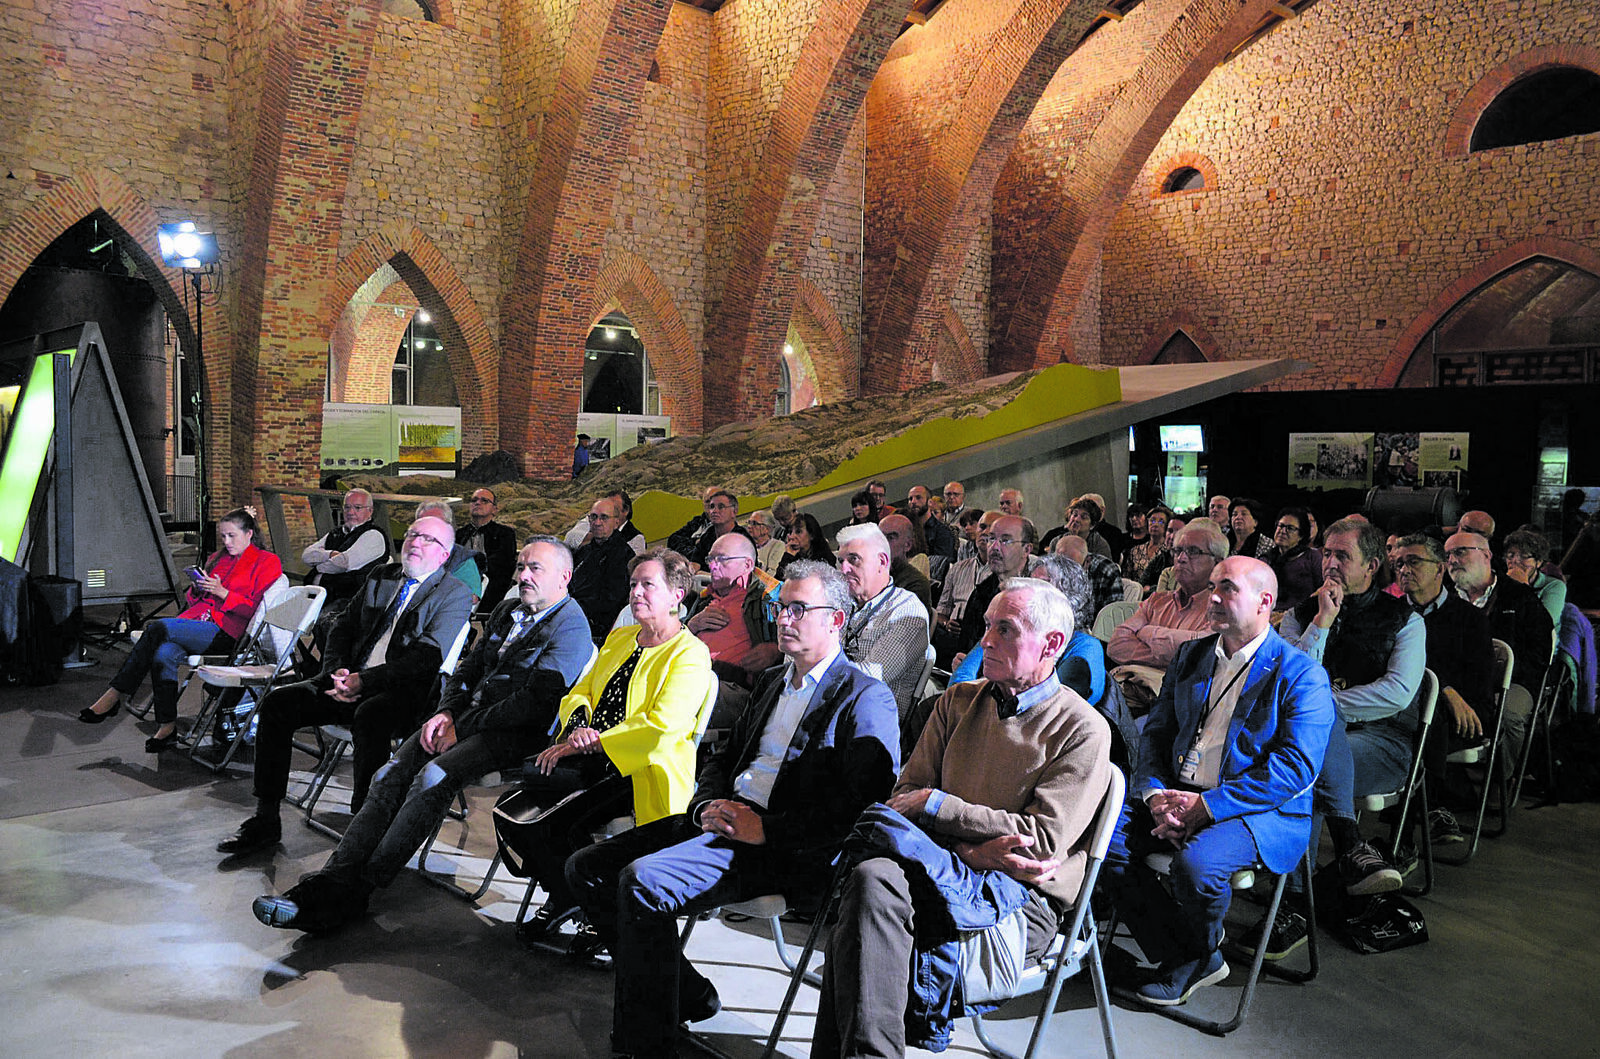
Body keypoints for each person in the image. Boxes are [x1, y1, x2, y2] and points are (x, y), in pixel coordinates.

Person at [564, 562, 900, 1058]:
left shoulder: (864, 697)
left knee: (642, 880)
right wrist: (703, 805)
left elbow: (857, 807)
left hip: (785, 848)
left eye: (799, 609)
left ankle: (646, 1044)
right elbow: (724, 757)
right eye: (782, 607)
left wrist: (767, 829)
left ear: (836, 620)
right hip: (724, 820)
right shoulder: (771, 682)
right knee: (586, 868)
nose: (784, 618)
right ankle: (686, 992)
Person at [814, 576, 1113, 1056]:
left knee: (865, 900)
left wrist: (938, 805)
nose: (986, 641)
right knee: (869, 881)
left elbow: (1037, 843)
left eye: (1006, 630)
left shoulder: (1082, 729)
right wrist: (971, 848)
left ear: (1052, 644)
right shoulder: (957, 701)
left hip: (1019, 897)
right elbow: (903, 798)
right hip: (941, 861)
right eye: (987, 626)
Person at [245, 538, 593, 927]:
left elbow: (532, 705)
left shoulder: (571, 628)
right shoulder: (509, 611)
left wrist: (461, 727)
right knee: (389, 774)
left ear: (564, 576)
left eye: (535, 569)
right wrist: (445, 712)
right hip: (466, 720)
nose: (522, 575)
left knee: (431, 777)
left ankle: (359, 887)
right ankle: (334, 877)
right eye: (521, 566)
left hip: (514, 735)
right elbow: (468, 668)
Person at [1108, 557, 1334, 1004]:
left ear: (1265, 602)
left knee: (1197, 867)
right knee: (1103, 841)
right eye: (1212, 586)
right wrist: (1154, 795)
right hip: (1179, 792)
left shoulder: (1302, 674)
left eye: (1226, 588)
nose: (1212, 597)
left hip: (1255, 808)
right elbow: (1155, 733)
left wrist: (1208, 808)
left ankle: (1194, 955)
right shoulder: (1192, 655)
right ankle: (1188, 953)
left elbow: (1294, 768)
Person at [215, 515, 475, 854]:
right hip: (348, 679)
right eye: (412, 534)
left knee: (371, 715)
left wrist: (363, 682)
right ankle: (266, 818)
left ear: (444, 554)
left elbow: (423, 661)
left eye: (427, 539)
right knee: (278, 703)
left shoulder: (454, 594)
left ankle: (362, 826)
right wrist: (337, 670)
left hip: (403, 692)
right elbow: (341, 626)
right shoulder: (382, 576)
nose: (414, 542)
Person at [505, 548, 714, 939]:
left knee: (552, 821)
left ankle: (593, 911)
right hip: (590, 757)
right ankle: (574, 899)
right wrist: (579, 726)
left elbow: (661, 727)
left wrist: (593, 743)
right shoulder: (620, 638)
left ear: (677, 595)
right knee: (515, 810)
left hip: (640, 769)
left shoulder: (689, 654)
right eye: (633, 584)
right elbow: (582, 690)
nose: (636, 592)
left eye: (647, 585)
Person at [1280, 517, 1425, 897]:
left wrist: (1322, 708)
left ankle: (1295, 901)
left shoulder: (1405, 621)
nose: (1329, 563)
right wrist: (1322, 624)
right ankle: (1348, 846)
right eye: (1326, 553)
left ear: (1371, 566)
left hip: (1383, 740)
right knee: (1303, 759)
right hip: (1310, 742)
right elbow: (1286, 680)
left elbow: (1397, 692)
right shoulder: (1300, 615)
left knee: (1302, 769)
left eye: (1342, 556)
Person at [79, 507, 283, 753]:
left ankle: (115, 693)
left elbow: (259, 611)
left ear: (249, 534)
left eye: (232, 536)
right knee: (163, 653)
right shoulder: (219, 558)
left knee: (159, 627)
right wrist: (198, 588)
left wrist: (223, 593)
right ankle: (167, 727)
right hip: (201, 623)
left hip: (230, 632)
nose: (227, 542)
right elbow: (196, 601)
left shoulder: (266, 561)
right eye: (223, 536)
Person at [1392, 533, 1493, 845]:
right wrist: (1442, 687)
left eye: (1413, 561)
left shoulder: (1470, 619)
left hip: (1463, 716)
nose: (1403, 570)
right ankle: (1432, 808)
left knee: (1427, 720)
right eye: (1398, 563)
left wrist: (1445, 691)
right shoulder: (1390, 613)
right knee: (1421, 717)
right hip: (1402, 708)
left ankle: (1404, 837)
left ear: (1439, 569)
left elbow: (1478, 684)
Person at [1444, 529, 1553, 777]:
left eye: (1460, 552)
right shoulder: (1445, 598)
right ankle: (1446, 783)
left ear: (1486, 555)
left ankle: (1499, 783)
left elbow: (1539, 655)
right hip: (1459, 682)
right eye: (1447, 554)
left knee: (1507, 714)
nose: (1452, 560)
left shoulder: (1520, 597)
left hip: (1512, 681)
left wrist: (1493, 676)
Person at [951, 553, 1107, 707]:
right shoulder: (1002, 628)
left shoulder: (1086, 645)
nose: (1031, 589)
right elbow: (960, 683)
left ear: (1070, 594)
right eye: (1030, 581)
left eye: (1043, 584)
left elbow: (1064, 707)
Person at [1106, 520, 1226, 701]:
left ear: (1217, 562)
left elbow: (1200, 654)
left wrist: (1148, 633)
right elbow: (1116, 645)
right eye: (1177, 551)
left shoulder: (1221, 608)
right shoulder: (1157, 600)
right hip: (1133, 694)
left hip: (1181, 703)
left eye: (1193, 552)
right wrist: (1172, 658)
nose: (1181, 558)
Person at [685, 532, 780, 728]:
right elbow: (672, 639)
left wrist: (776, 650)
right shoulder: (703, 599)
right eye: (710, 559)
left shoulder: (770, 596)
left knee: (679, 694)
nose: (712, 566)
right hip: (692, 673)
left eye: (721, 559)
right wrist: (692, 625)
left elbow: (801, 643)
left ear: (747, 565)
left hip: (733, 687)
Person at [838, 523, 932, 716]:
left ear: (882, 561)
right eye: (841, 561)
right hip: (829, 709)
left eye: (853, 559)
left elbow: (866, 682)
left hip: (868, 723)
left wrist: (812, 665)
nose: (844, 568)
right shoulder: (840, 604)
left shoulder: (906, 611)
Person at [956, 515, 1036, 658]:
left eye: (1005, 541)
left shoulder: (1039, 593)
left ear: (1026, 549)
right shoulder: (981, 592)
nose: (994, 547)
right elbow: (967, 645)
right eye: (991, 539)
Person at [301, 488, 390, 614]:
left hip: (352, 604)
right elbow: (306, 556)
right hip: (324, 598)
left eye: (357, 508)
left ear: (370, 511)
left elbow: (343, 563)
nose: (351, 512)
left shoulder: (373, 535)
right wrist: (330, 554)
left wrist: (317, 569)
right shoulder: (336, 533)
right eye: (347, 507)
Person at [569, 496, 637, 641]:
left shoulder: (625, 556)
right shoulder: (584, 551)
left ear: (616, 522)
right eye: (593, 517)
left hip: (594, 626)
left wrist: (570, 607)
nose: (597, 522)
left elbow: (611, 601)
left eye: (604, 518)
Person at [458, 487, 517, 612]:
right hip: (458, 586)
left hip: (492, 588)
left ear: (494, 509)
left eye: (484, 501)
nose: (477, 503)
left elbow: (502, 564)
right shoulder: (459, 534)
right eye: (474, 500)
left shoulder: (505, 534)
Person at [1504, 527, 1567, 631]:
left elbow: (1544, 624)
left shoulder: (1554, 586)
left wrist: (1523, 587)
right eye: (1510, 555)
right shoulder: (1499, 582)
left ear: (1538, 562)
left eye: (1524, 556)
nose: (1514, 561)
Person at [1056, 534, 1126, 621]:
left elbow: (1113, 613)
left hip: (1097, 627)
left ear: (1087, 562)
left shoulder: (1106, 571)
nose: (1068, 573)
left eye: (1073, 567)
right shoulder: (1050, 569)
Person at [564, 488, 646, 556]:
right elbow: (570, 538)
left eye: (615, 508)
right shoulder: (594, 520)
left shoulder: (635, 537)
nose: (598, 522)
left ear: (626, 511)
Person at [1268, 506, 1321, 611]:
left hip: (1300, 617)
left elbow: (1321, 591)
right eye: (1280, 526)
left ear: (1301, 535)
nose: (1283, 531)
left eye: (1290, 528)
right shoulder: (1267, 558)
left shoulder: (1312, 557)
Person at [880, 513, 933, 615]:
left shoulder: (916, 584)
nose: (883, 544)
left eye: (890, 538)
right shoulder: (870, 576)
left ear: (907, 545)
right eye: (880, 537)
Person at [687, 489, 753, 569]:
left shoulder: (742, 539)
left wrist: (702, 574)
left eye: (721, 507)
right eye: (712, 507)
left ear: (734, 511)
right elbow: (694, 563)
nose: (714, 511)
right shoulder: (708, 535)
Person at [905, 485, 957, 563]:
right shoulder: (906, 529)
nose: (913, 502)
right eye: (910, 499)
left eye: (918, 497)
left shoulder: (942, 532)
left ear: (930, 502)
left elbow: (941, 564)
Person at [775, 511, 836, 578]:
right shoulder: (792, 557)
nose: (792, 536)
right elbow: (777, 583)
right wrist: (788, 555)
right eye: (790, 532)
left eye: (798, 532)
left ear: (812, 535)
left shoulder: (825, 559)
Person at [1121, 506, 1169, 584]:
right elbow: (1126, 577)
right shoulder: (1135, 550)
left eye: (1161, 522)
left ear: (1166, 526)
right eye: (1152, 521)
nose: (1155, 524)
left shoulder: (1168, 552)